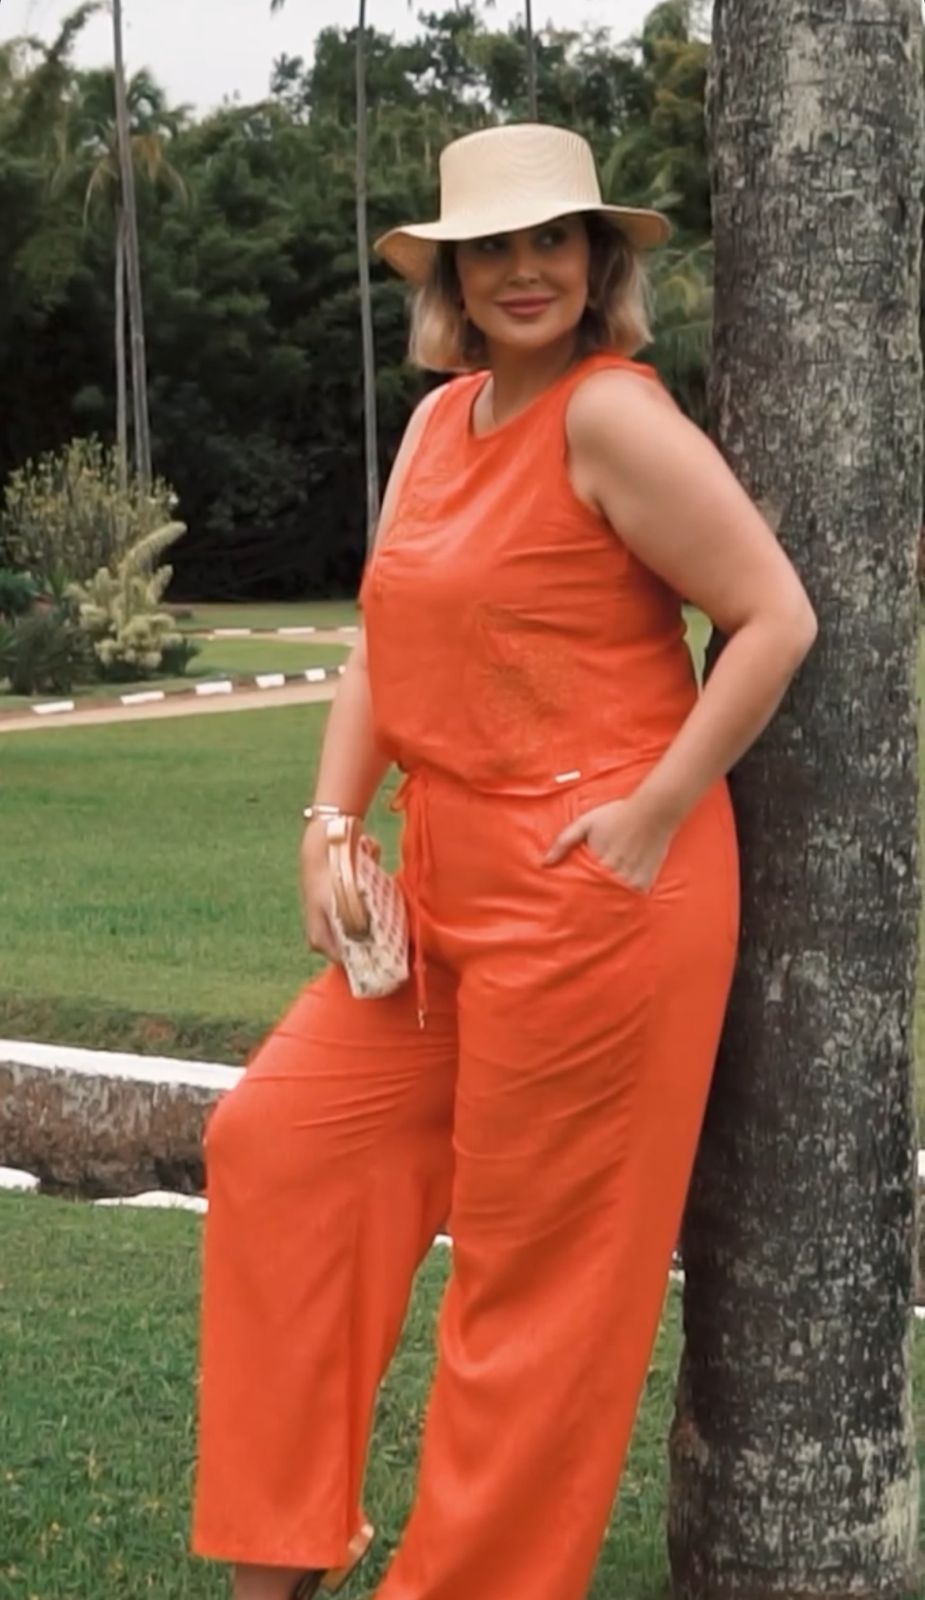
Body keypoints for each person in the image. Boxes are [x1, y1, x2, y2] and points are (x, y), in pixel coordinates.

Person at [191, 123, 817, 1600]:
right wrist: (330, 823)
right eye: (492, 249)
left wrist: (656, 809)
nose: (525, 270)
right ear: (453, 281)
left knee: (534, 1289)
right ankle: (277, 1559)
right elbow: (383, 644)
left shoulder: (612, 419)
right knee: (278, 1148)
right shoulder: (438, 423)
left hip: (601, 895)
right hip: (443, 889)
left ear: (596, 261)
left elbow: (773, 616)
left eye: (553, 241)